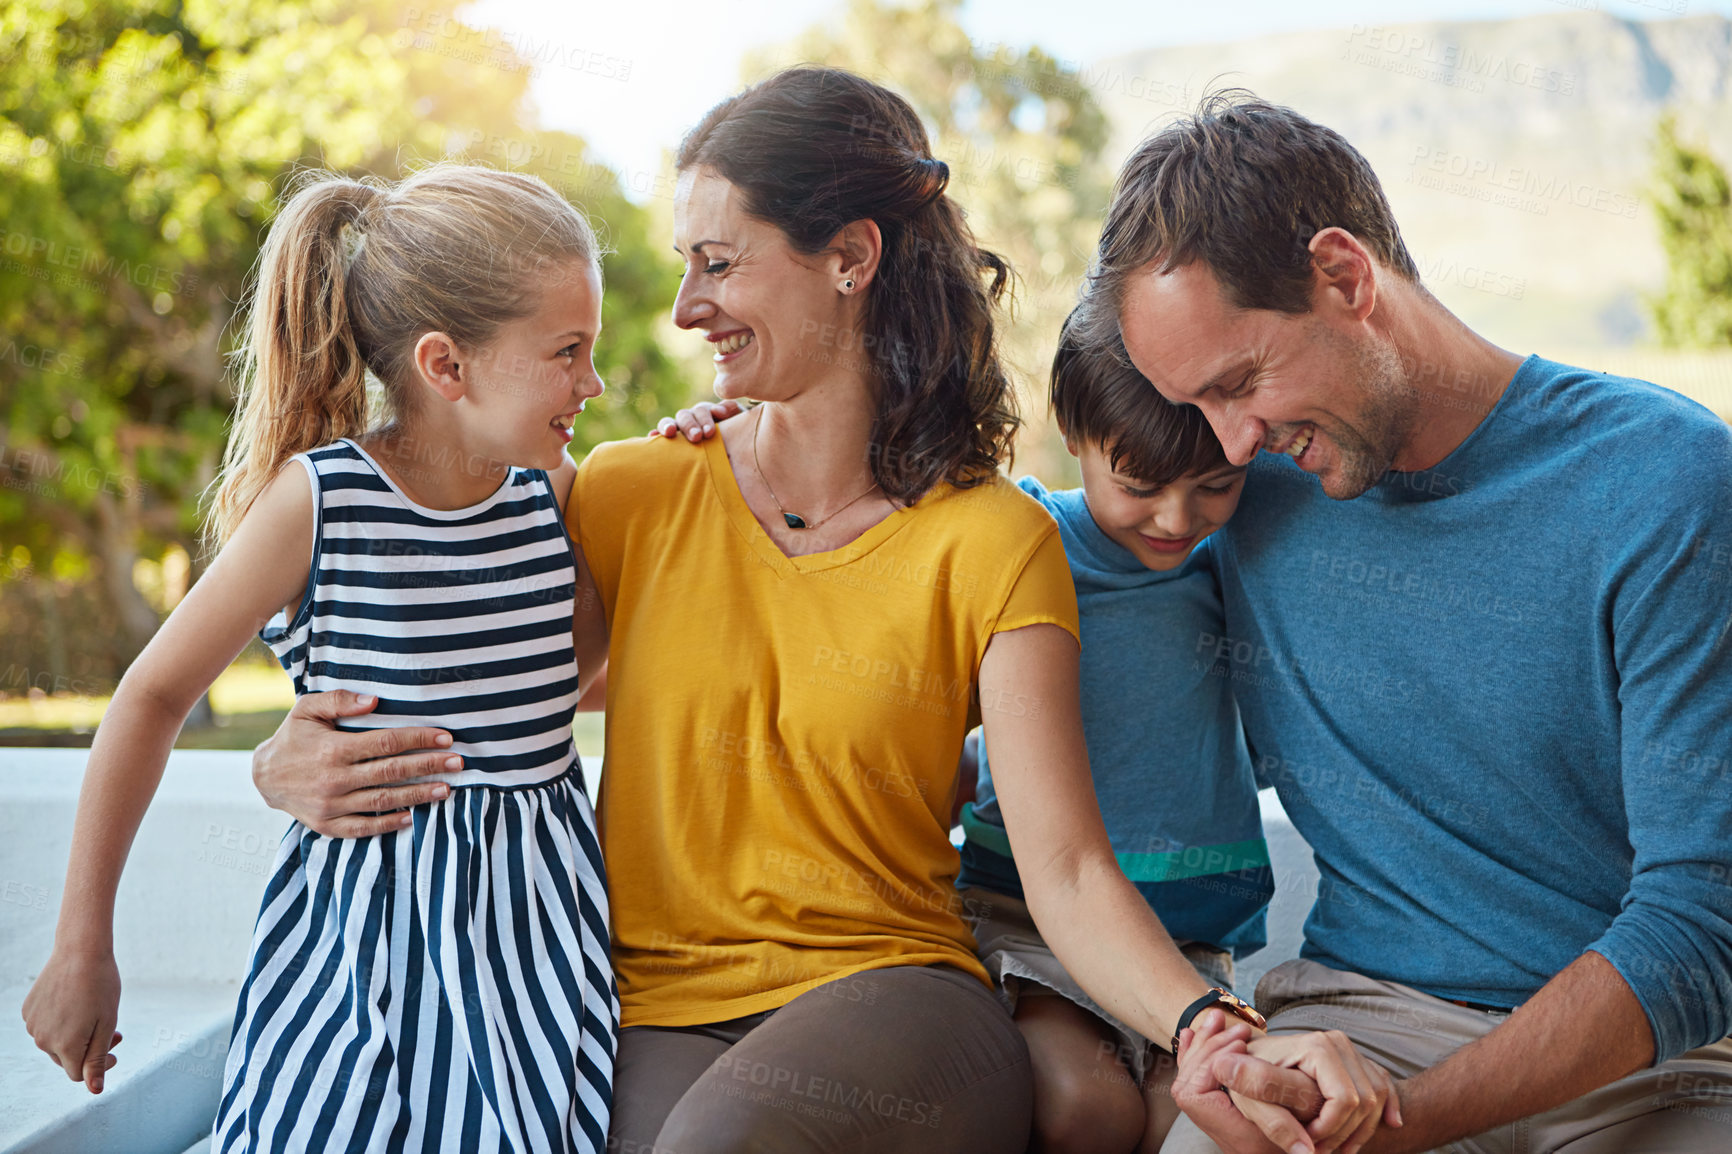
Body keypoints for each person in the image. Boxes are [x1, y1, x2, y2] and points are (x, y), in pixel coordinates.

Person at [244, 69, 1397, 1154]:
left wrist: (1208, 1022)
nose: (688, 307)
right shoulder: (632, 492)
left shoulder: (991, 539)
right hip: (649, 1004)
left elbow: (1066, 868)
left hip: (900, 997)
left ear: (849, 257)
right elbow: (490, 691)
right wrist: (289, 758)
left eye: (718, 262)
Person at [1076, 91, 1732, 1153]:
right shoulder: (1240, 487)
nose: (1229, 445)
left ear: (1344, 277)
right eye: (1198, 407)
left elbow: (1704, 920)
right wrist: (745, 446)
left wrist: (1402, 1123)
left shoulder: (1663, 480)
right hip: (1355, 1021)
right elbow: (1008, 525)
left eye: (1241, 381)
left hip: (1654, 1060)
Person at [21, 165, 618, 1153]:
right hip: (361, 960)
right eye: (567, 352)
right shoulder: (321, 500)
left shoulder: (555, 492)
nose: (593, 383)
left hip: (537, 953)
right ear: (446, 364)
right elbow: (153, 692)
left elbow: (566, 680)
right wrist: (82, 943)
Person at [658, 307, 1275, 1154]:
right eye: (1140, 483)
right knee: (1088, 1108)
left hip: (1189, 940)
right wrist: (722, 426)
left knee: (1190, 1121)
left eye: (1214, 486)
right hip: (1030, 922)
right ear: (1076, 432)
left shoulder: (1227, 568)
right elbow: (859, 526)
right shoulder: (1018, 533)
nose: (1175, 517)